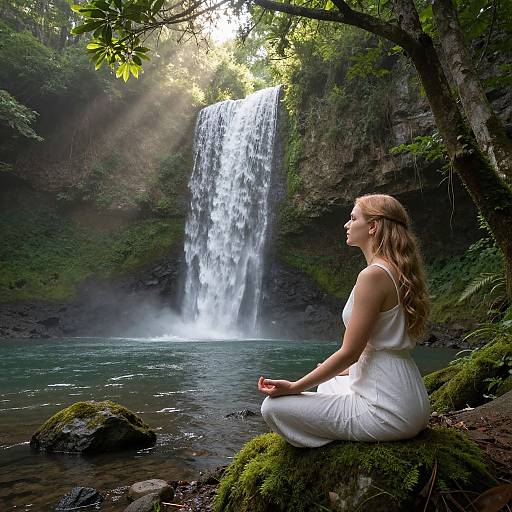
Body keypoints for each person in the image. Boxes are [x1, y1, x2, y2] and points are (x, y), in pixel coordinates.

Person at [258, 193, 431, 447]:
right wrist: (333, 372)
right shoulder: (396, 270)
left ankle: (330, 450)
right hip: (408, 396)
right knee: (327, 380)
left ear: (372, 226)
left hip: (387, 410)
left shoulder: (372, 276)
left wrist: (294, 386)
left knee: (271, 407)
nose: (346, 225)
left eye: (353, 218)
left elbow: (350, 353)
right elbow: (375, 348)